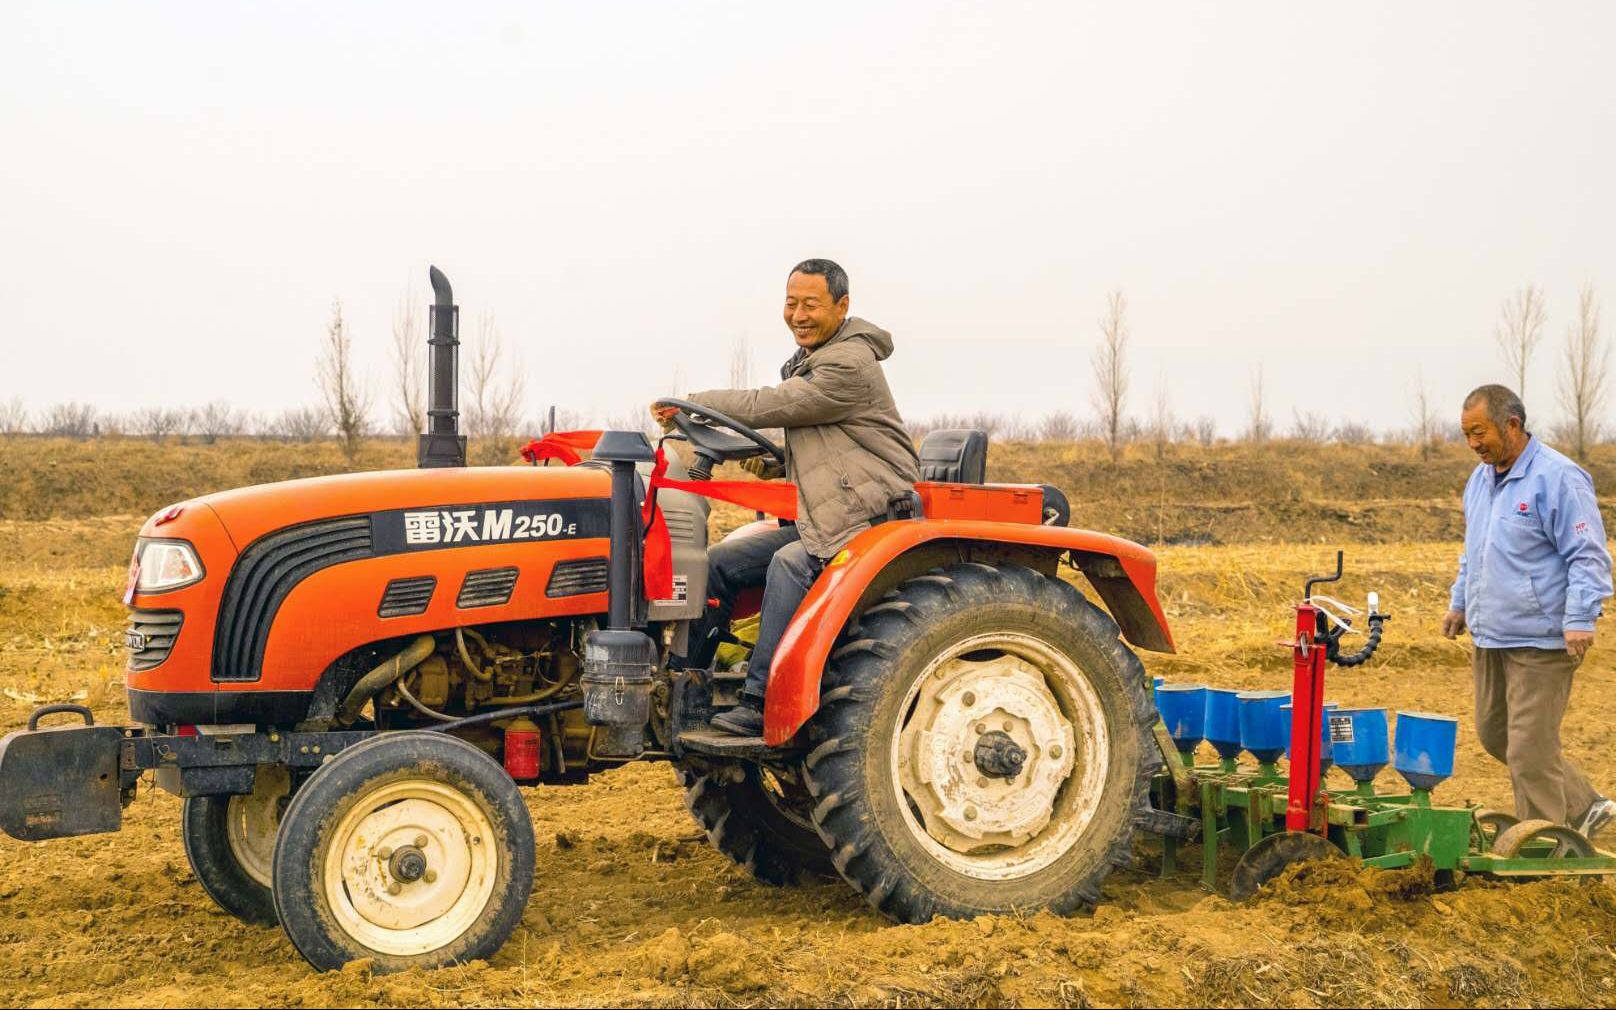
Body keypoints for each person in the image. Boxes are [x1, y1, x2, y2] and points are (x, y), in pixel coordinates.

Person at [650, 258, 920, 736]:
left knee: (791, 564)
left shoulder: (849, 363)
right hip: (831, 512)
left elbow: (771, 404)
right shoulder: (817, 360)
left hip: (868, 516)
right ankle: (681, 686)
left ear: (842, 306)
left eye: (810, 304)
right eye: (791, 303)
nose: (798, 314)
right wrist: (772, 461)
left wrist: (696, 401)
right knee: (720, 564)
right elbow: (827, 446)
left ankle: (760, 701)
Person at [1442, 384, 1615, 835]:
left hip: (1543, 638)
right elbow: (1473, 551)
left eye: (1479, 432)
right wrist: (1460, 601)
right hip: (1492, 633)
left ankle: (1544, 844)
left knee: (1528, 751)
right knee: (1495, 733)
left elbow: (1588, 555)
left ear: (1512, 425)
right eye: (1466, 434)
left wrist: (1579, 618)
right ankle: (1586, 804)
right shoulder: (1479, 481)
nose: (1473, 444)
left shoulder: (1559, 477)